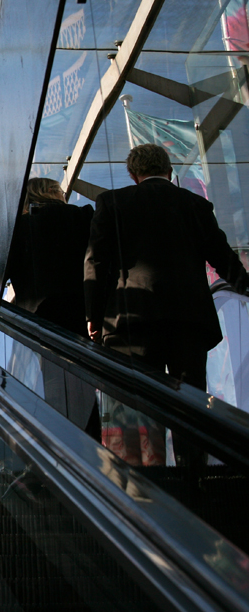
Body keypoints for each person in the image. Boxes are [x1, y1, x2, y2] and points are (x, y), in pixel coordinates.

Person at [84, 143, 249, 465]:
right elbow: (222, 257)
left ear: (133, 174)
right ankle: (194, 475)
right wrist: (245, 285)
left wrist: (93, 315)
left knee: (136, 399)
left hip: (130, 320)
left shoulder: (112, 202)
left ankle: (145, 477)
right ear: (169, 170)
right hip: (189, 320)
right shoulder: (195, 205)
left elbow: (96, 262)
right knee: (190, 398)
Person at [5, 177, 100, 440]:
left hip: (39, 318)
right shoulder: (83, 216)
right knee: (84, 382)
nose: (64, 194)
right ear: (48, 192)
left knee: (53, 383)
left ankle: (60, 445)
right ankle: (91, 445)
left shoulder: (18, 228)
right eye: (61, 190)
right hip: (80, 311)